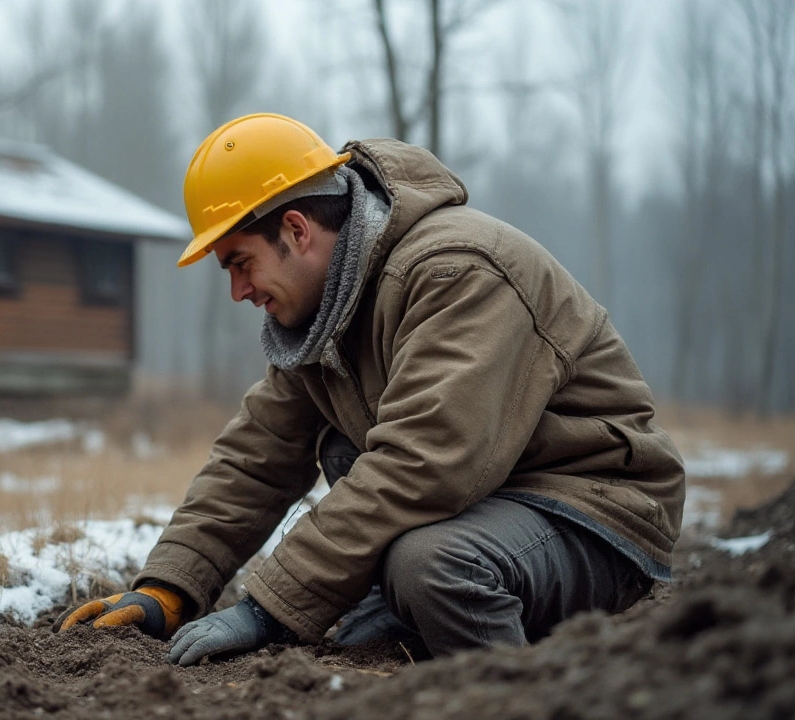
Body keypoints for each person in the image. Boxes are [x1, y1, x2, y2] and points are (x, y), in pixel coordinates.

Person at [53, 114, 685, 666]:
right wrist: (170, 588)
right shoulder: (326, 310)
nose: (238, 292)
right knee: (351, 464)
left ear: (297, 230)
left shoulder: (458, 271)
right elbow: (256, 457)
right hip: (494, 500)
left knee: (433, 566)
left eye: (239, 262)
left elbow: (424, 462)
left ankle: (515, 691)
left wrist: (268, 610)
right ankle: (414, 614)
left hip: (594, 509)